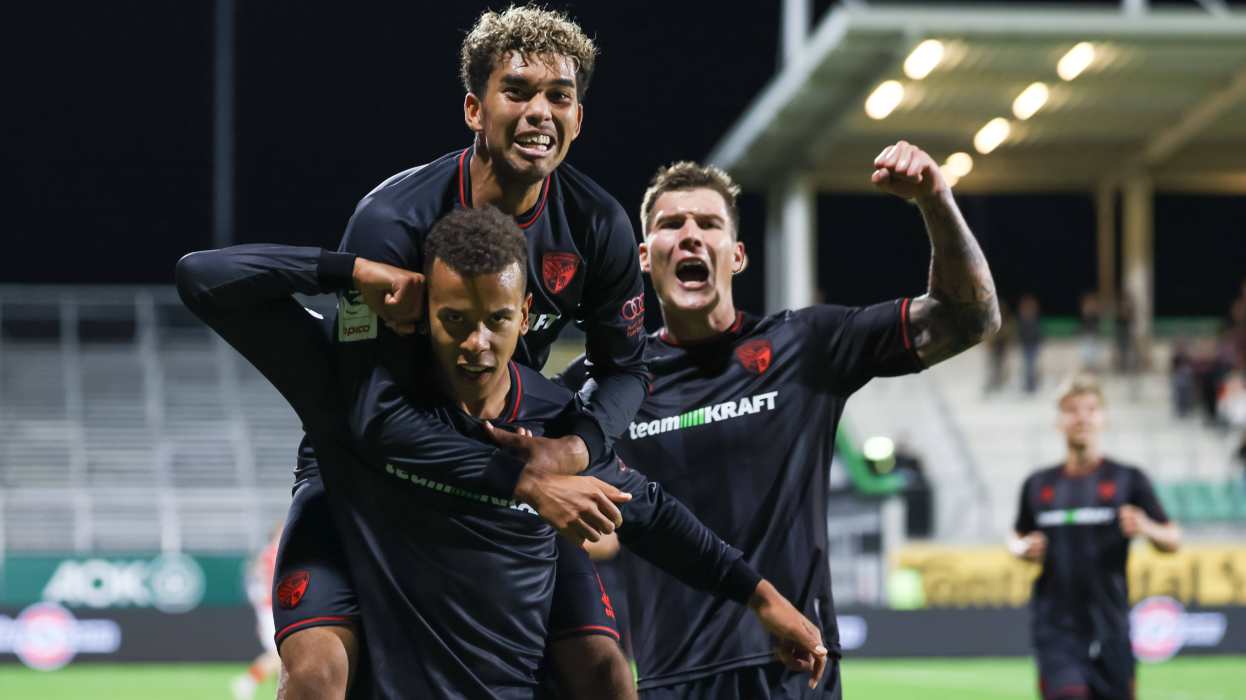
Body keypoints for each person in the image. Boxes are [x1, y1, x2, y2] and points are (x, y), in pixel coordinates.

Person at [176, 207, 829, 698]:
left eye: (497, 320)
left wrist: (763, 599)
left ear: (525, 314)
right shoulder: (355, 384)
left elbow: (652, 513)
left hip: (490, 563)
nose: (477, 345)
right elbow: (202, 277)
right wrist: (350, 270)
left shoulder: (554, 422)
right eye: (454, 319)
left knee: (605, 673)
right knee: (316, 676)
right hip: (351, 530)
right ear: (425, 310)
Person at [269, 7, 655, 697]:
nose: (540, 112)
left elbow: (625, 368)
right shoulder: (390, 221)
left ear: (578, 118)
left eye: (559, 96)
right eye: (518, 91)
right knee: (318, 676)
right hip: (367, 466)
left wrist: (575, 448)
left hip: (503, 454)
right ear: (475, 108)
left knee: (603, 671)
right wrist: (524, 480)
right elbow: (368, 412)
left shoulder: (599, 225)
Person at [557, 141, 1000, 698]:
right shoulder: (605, 382)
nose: (690, 235)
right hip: (672, 679)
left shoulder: (805, 345)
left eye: (709, 224)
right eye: (671, 224)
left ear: (737, 255)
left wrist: (936, 198)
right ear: (645, 257)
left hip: (795, 669)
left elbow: (970, 318)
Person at [1010, 374, 1181, 700]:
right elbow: (1017, 534)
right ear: (1058, 421)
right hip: (1056, 629)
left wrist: (1146, 527)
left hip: (1111, 626)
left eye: (1090, 409)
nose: (1082, 418)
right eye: (1072, 410)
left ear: (1104, 418)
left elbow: (1173, 538)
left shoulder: (1128, 479)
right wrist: (1021, 547)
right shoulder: (1038, 484)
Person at [231, 524, 283, 700]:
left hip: (267, 609)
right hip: (272, 609)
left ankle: (279, 691)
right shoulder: (275, 554)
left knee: (282, 656)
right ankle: (247, 681)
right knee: (278, 654)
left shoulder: (265, 555)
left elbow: (254, 586)